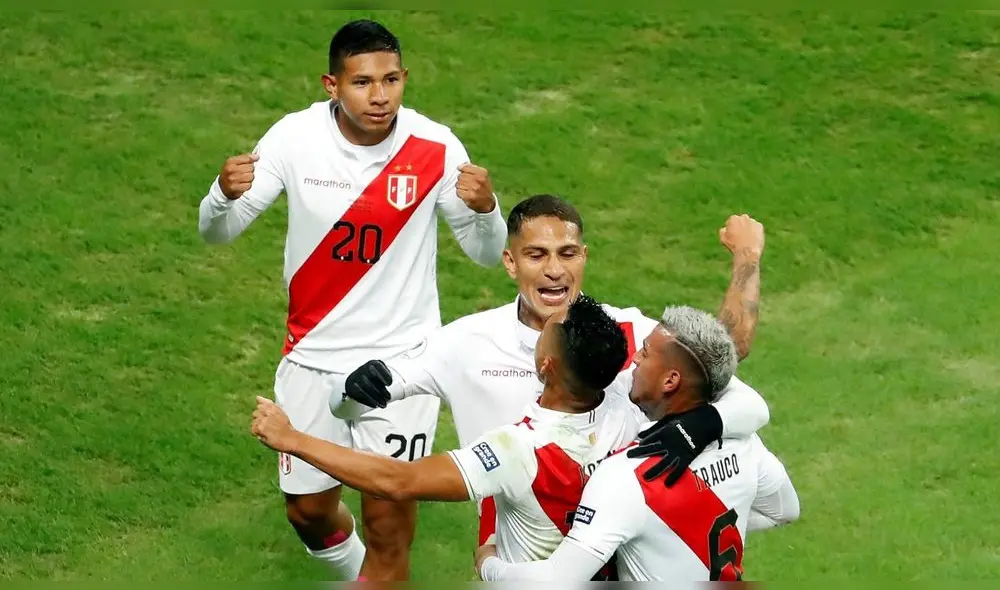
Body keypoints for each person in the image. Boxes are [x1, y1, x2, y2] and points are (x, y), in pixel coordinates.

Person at [196, 19, 508, 581]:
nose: (380, 96)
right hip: (312, 356)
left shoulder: (433, 146)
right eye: (363, 82)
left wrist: (487, 210)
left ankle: (380, 575)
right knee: (309, 512)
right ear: (331, 85)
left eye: (391, 80)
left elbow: (487, 255)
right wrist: (222, 196)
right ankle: (359, 573)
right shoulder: (294, 139)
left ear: (405, 78)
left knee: (389, 523)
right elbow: (218, 232)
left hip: (400, 367)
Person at [331, 194, 769, 545]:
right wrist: (349, 390)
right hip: (523, 552)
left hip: (624, 552)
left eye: (567, 253)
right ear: (510, 261)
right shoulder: (464, 343)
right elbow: (353, 403)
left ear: (584, 256)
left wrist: (747, 256)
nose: (555, 271)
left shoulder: (629, 334)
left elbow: (726, 349)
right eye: (537, 255)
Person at [251, 294, 645, 579]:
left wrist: (294, 440)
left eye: (551, 329)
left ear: (545, 364)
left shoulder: (518, 450)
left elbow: (397, 480)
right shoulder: (630, 417)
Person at [476, 306, 800, 581]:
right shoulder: (745, 442)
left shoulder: (625, 476)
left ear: (670, 381)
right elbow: (785, 510)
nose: (634, 361)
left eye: (644, 352)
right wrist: (679, 538)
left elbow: (556, 581)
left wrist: (489, 564)